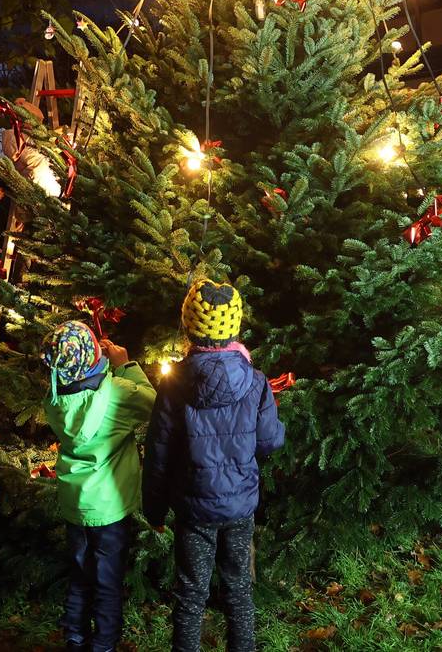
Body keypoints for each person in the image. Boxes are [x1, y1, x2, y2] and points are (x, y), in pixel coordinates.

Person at [142, 279, 285, 652]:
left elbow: (158, 452)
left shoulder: (173, 385)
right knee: (239, 588)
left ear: (189, 326)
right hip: (239, 506)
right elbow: (270, 441)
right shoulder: (255, 382)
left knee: (191, 593)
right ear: (234, 327)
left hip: (193, 510)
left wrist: (153, 509)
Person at [41, 320, 156, 652]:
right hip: (109, 508)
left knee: (80, 576)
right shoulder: (117, 392)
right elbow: (152, 401)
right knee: (107, 581)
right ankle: (104, 644)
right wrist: (125, 365)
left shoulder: (55, 397)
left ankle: (75, 639)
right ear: (94, 356)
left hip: (75, 504)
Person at [1, 97, 61, 197]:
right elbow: (37, 165)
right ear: (26, 122)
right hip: (41, 193)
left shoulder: (28, 139)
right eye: (36, 123)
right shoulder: (15, 140)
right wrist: (58, 192)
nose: (38, 128)